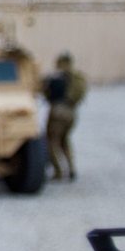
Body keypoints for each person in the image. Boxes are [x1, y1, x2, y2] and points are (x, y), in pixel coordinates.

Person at [43, 52, 87, 181]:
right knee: (65, 141)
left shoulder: (56, 78)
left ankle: (58, 171)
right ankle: (71, 168)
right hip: (71, 114)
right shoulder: (77, 78)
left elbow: (47, 94)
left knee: (51, 142)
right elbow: (79, 96)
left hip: (58, 113)